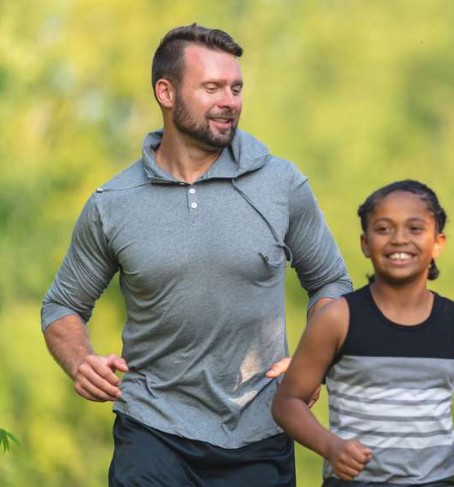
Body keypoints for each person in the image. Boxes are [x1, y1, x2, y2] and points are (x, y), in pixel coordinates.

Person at [40, 24, 351, 486]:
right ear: (166, 92)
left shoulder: (280, 185)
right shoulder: (113, 203)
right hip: (152, 427)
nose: (230, 101)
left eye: (236, 88)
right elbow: (62, 305)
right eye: (212, 88)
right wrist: (79, 359)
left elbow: (331, 283)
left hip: (260, 432)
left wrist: (312, 359)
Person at [272, 180, 454, 486]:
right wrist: (331, 446)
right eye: (384, 229)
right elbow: (287, 403)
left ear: (438, 243)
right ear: (365, 243)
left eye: (415, 229)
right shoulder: (337, 319)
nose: (399, 239)